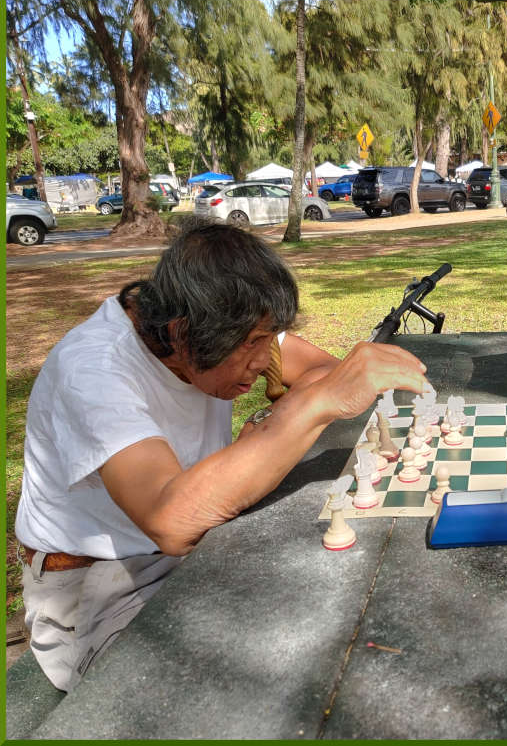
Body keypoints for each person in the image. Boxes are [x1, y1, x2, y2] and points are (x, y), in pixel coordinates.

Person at [15, 221, 431, 691]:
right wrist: (311, 405)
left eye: (266, 339)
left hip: (197, 549)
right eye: (251, 344)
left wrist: (274, 419)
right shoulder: (94, 370)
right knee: (254, 687)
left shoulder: (224, 325)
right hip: (101, 587)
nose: (262, 360)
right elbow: (169, 520)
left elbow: (320, 369)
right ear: (180, 332)